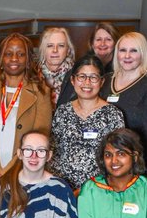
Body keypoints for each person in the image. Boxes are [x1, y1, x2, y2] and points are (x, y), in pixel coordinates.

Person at [0, 33, 53, 215]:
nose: (14, 59)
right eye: (9, 53)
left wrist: (8, 174)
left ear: (28, 58)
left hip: (23, 171)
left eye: (20, 54)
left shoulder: (41, 91)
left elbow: (41, 135)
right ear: (1, 57)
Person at [50, 54, 125, 190]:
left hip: (98, 190)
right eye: (82, 77)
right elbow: (54, 152)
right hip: (62, 188)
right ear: (73, 80)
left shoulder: (113, 115)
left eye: (93, 77)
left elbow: (117, 157)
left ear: (102, 82)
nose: (87, 83)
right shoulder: (62, 111)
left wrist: (92, 188)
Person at [105, 31, 147, 180]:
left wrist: (133, 161)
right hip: (107, 162)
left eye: (133, 51)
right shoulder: (105, 80)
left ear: (143, 54)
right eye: (123, 50)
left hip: (138, 165)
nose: (127, 56)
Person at [38, 26, 76, 106]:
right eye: (50, 45)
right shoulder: (33, 73)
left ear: (68, 50)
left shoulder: (78, 75)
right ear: (43, 49)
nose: (55, 50)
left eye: (61, 45)